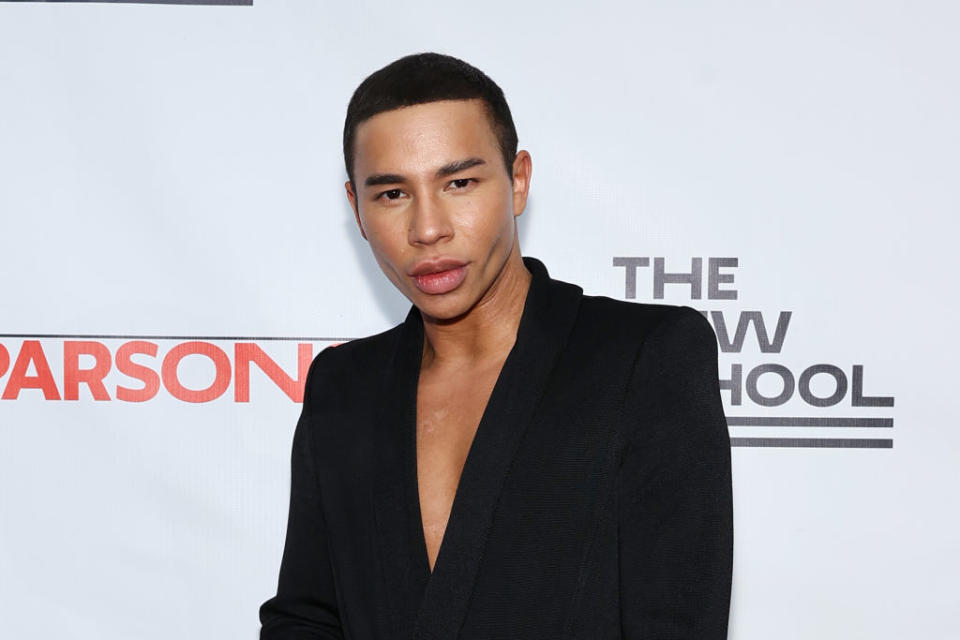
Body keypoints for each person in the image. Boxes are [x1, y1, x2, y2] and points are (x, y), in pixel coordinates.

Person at [259, 52, 733, 639]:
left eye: (458, 183)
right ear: (356, 207)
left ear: (518, 180)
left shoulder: (645, 358)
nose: (428, 229)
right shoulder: (342, 387)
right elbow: (307, 616)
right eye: (392, 195)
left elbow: (675, 620)